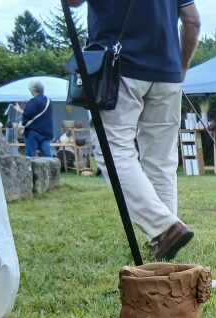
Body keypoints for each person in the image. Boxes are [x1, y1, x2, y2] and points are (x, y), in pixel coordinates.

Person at [68, 0, 202, 262]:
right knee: (161, 160)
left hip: (119, 67)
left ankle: (164, 228)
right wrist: (182, 66)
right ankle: (164, 241)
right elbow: (192, 19)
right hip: (168, 72)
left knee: (112, 150)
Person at [16, 81, 53, 158]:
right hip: (46, 131)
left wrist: (19, 109)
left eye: (29, 88)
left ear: (34, 89)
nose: (29, 90)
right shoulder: (48, 100)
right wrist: (30, 103)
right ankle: (49, 169)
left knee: (30, 155)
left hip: (34, 131)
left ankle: (30, 169)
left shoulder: (34, 101)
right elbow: (40, 108)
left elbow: (28, 114)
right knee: (47, 155)